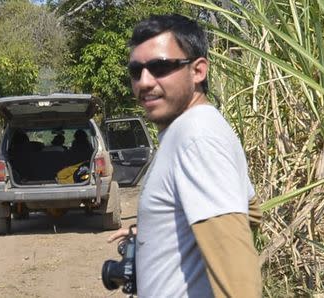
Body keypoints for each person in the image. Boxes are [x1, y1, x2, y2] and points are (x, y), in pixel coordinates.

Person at [108, 14, 262, 297]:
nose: (144, 82)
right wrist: (164, 232)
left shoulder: (197, 136)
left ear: (198, 71)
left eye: (160, 67)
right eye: (136, 71)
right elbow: (250, 211)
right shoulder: (190, 130)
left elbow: (239, 277)